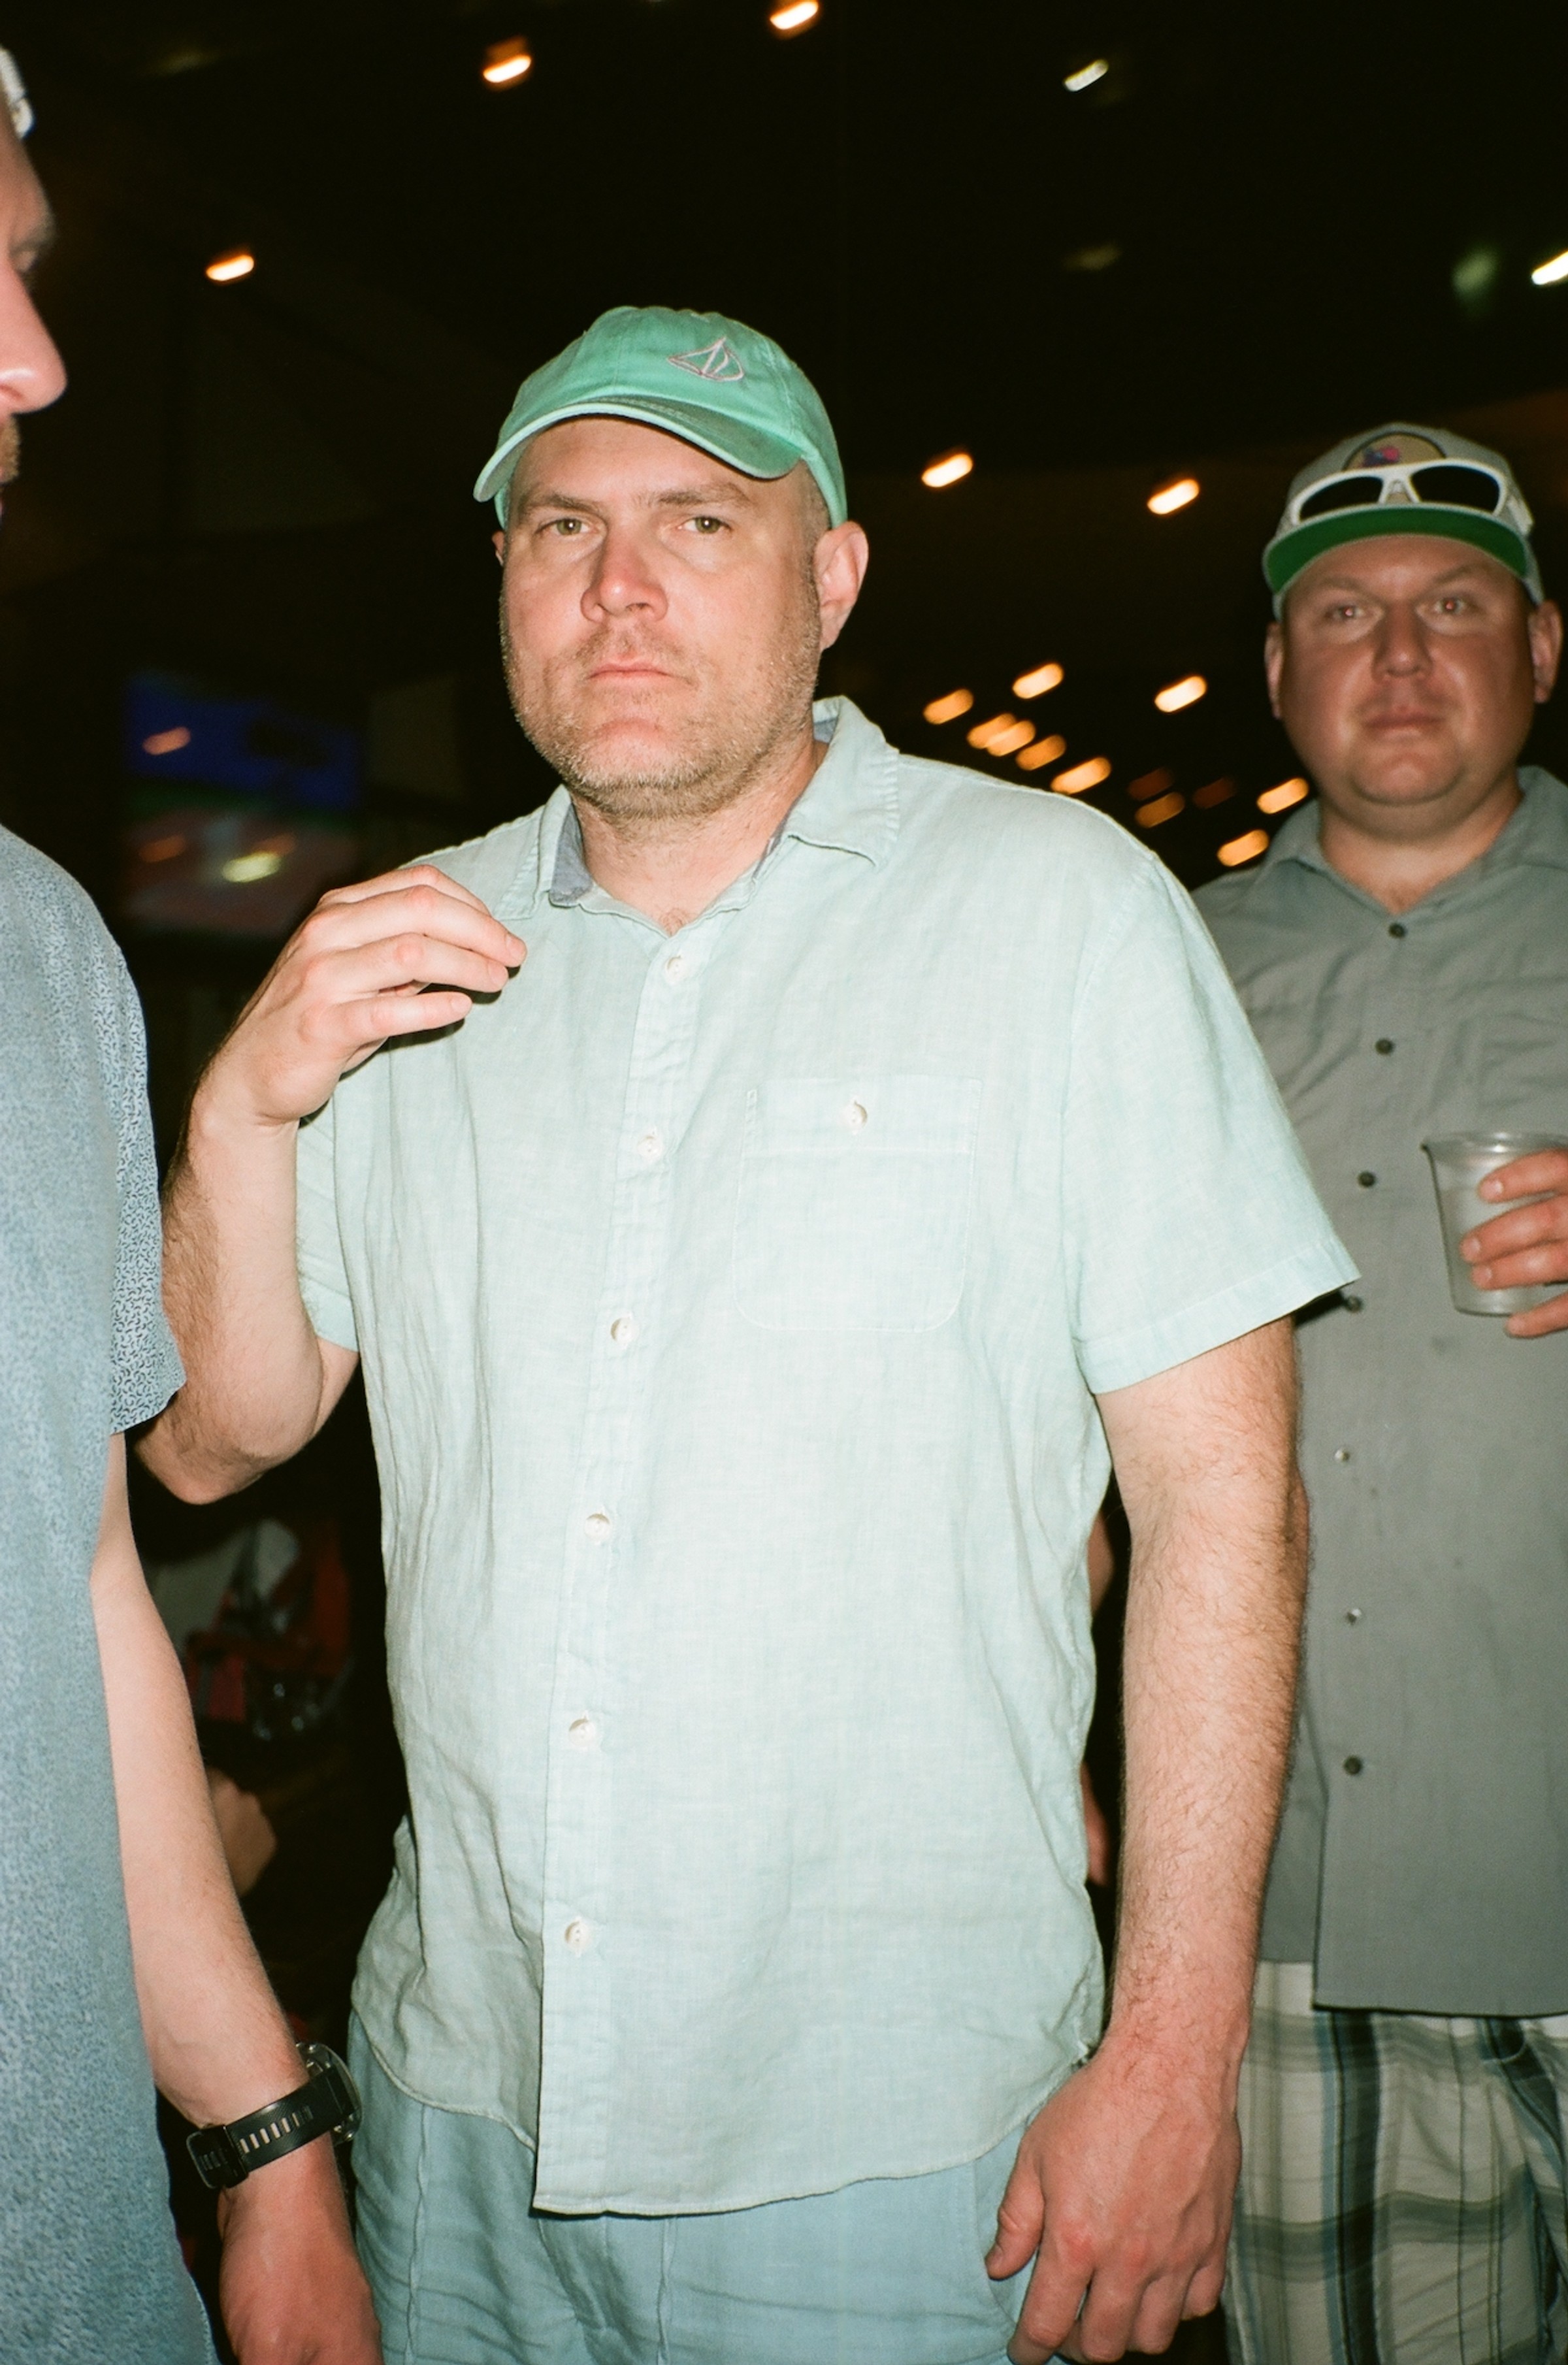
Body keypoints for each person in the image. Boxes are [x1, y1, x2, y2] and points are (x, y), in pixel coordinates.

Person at [143, 303, 1354, 2365]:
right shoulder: (401, 952)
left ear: (834, 576)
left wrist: (1174, 2051)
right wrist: (240, 1111)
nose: (619, 585)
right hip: (465, 2109)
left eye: (700, 521)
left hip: (900, 2142)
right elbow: (210, 1440)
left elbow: (1225, 1508)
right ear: (504, 578)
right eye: (563, 528)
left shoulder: (1058, 911)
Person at [0, 49, 381, 2365]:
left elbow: (83, 1589)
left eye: (27, 272)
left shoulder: (45, 950)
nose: (38, 360)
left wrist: (268, 2143)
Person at [1196, 423, 1568, 2364]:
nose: (1401, 656)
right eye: (1344, 615)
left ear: (1544, 648)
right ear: (1279, 672)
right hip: (1296, 1915)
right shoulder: (1163, 968)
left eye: (1454, 607)